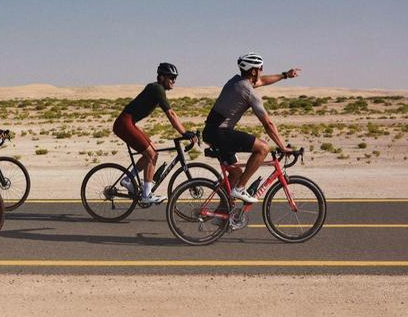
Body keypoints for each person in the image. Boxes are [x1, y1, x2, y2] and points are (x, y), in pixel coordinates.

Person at [203, 53, 300, 204]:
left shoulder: (236, 81)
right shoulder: (248, 91)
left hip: (211, 131)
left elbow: (262, 80)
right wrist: (282, 146)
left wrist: (284, 75)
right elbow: (267, 123)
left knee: (236, 173)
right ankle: (240, 188)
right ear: (254, 71)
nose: (261, 71)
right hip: (220, 133)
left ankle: (223, 215)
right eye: (260, 68)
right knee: (263, 148)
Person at [113, 63, 195, 204]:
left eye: (175, 78)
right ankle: (146, 195)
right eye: (171, 77)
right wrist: (184, 132)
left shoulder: (157, 89)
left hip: (128, 123)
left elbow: (171, 114)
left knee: (153, 153)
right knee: (151, 155)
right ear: (162, 77)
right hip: (124, 124)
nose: (174, 80)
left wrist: (185, 131)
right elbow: (171, 114)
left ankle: (128, 179)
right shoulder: (156, 88)